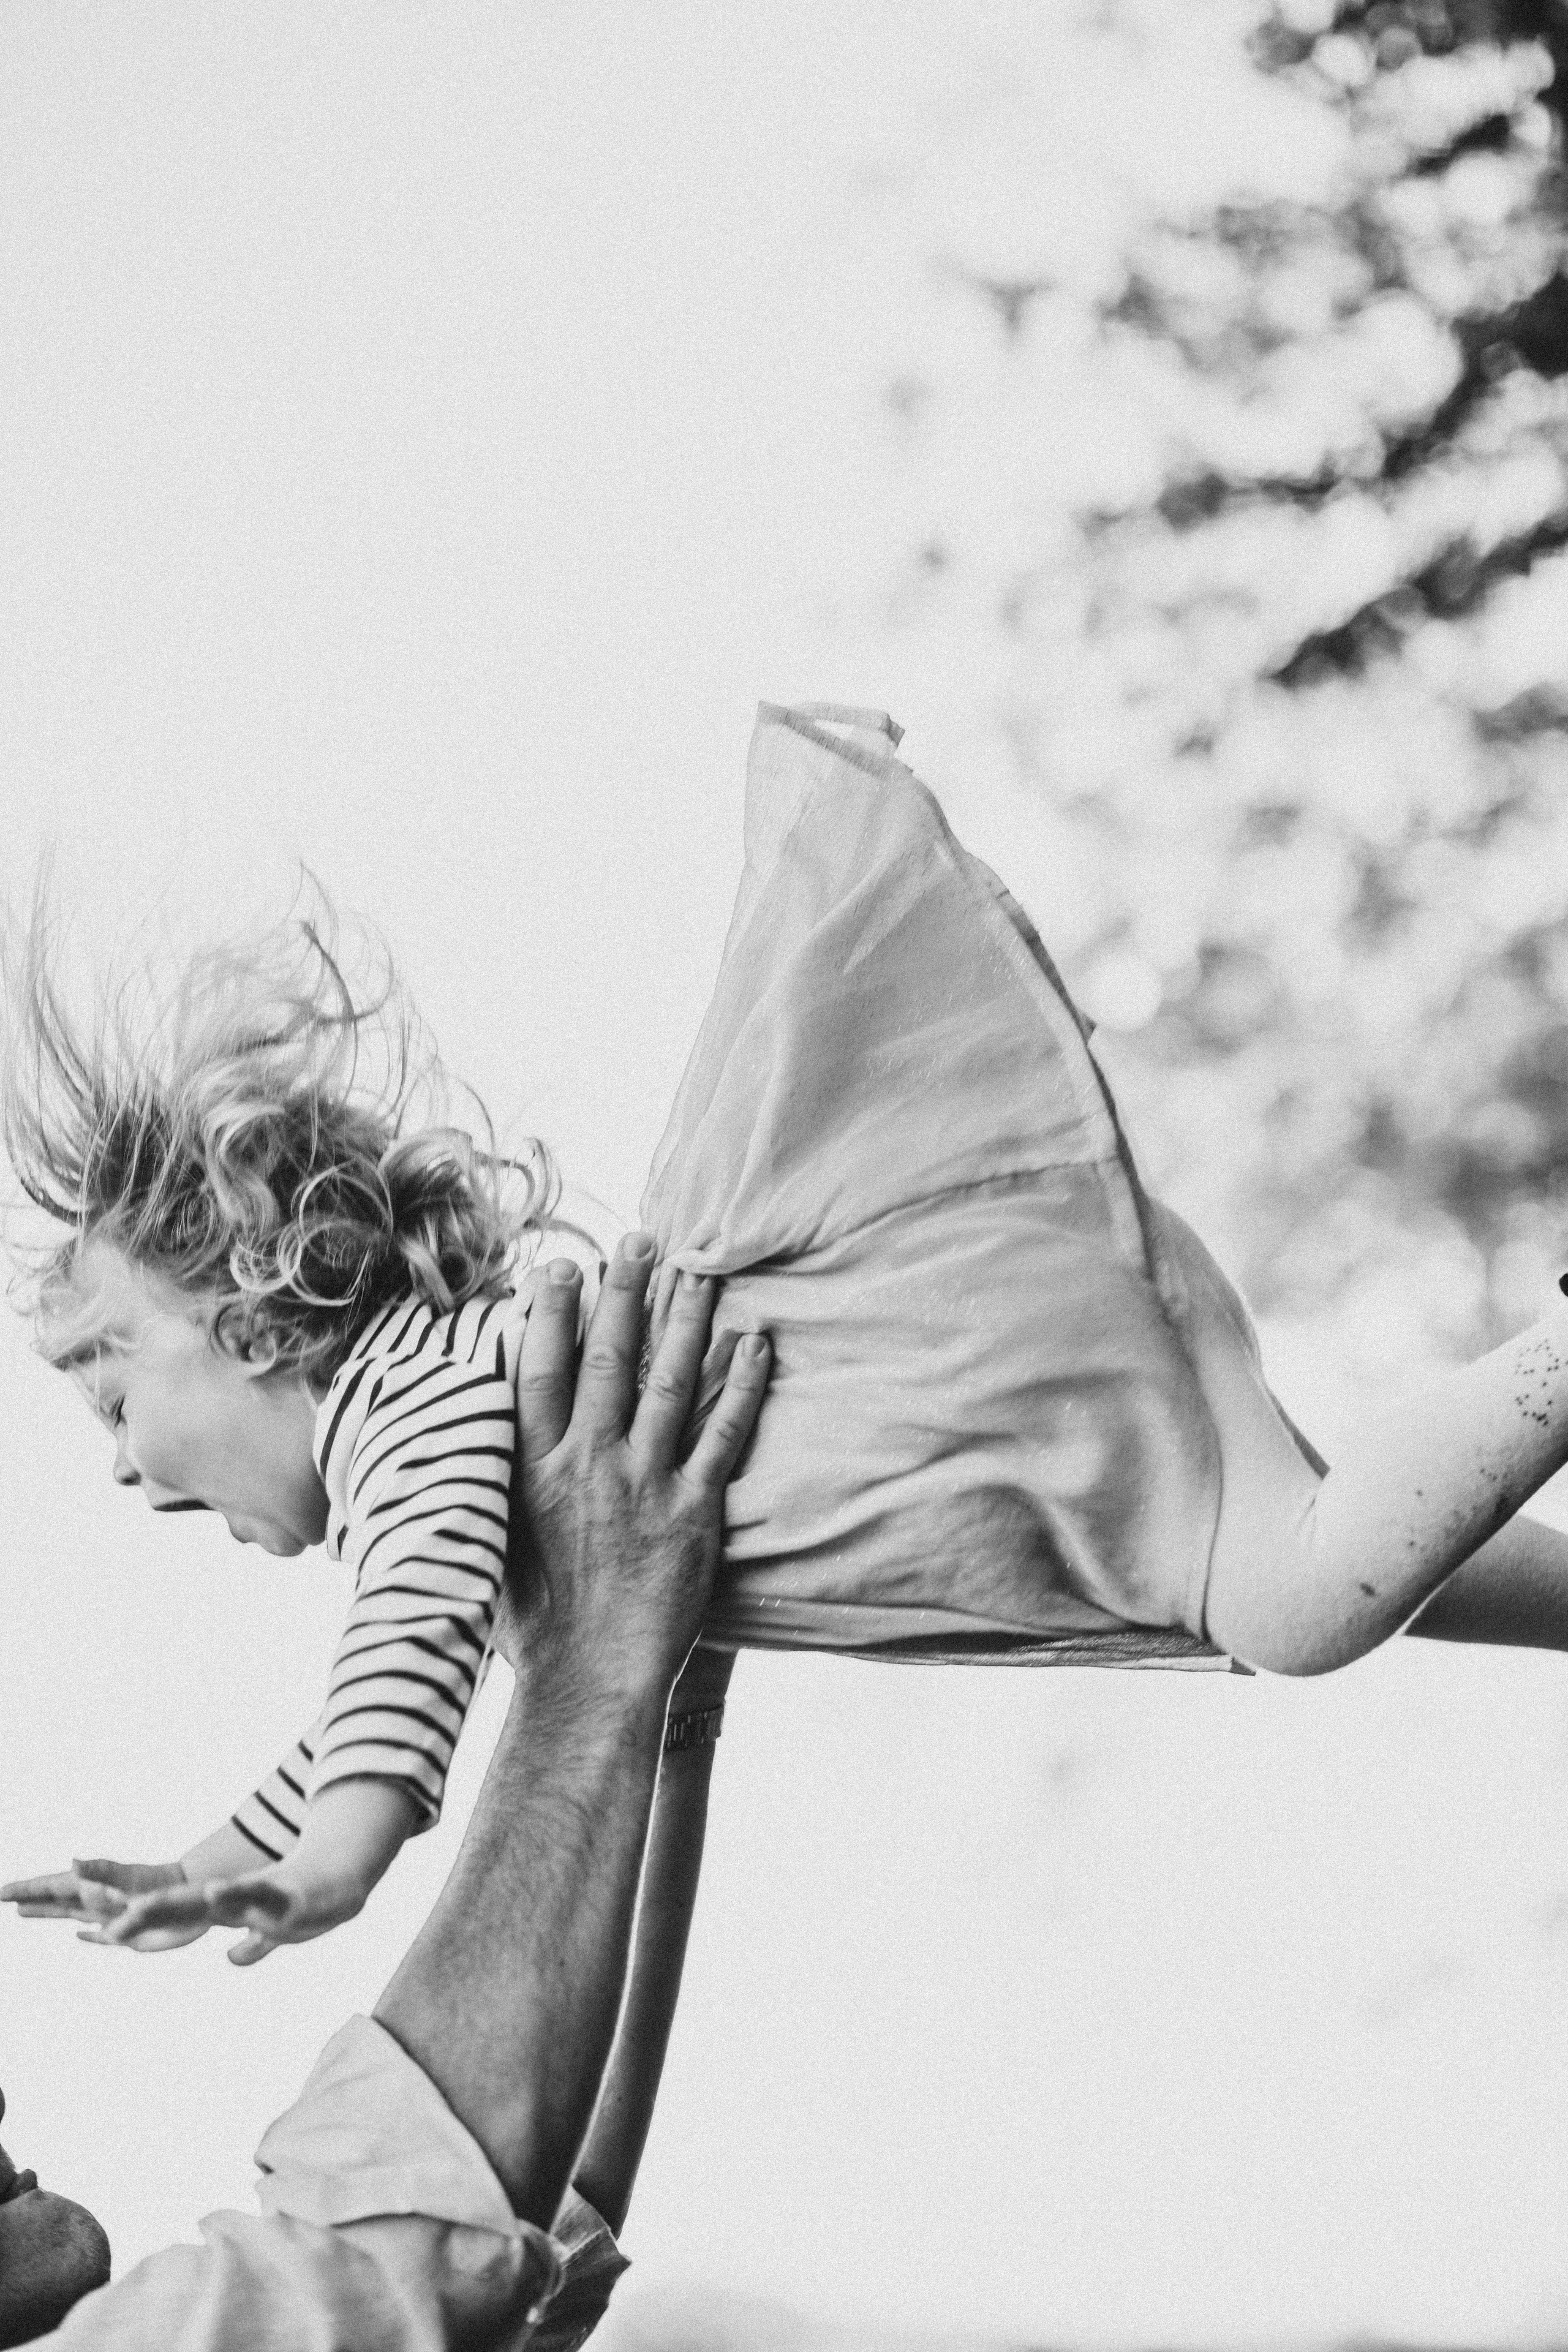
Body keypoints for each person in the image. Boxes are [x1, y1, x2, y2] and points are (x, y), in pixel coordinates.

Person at [13, 698, 1568, 1967]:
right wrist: (214, 1857)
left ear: (261, 1314)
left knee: (1299, 1604)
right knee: (1319, 1545)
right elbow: (358, 1712)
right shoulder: (449, 1430)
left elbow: (397, 1669)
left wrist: (329, 1877)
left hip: (988, 1362)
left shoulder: (407, 1423)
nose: (126, 1477)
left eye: (113, 1398)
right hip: (1026, 1354)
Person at [0, 1237, 769, 2347]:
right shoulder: (410, 1428)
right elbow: (418, 2246)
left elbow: (534, 2231)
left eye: (119, 1408)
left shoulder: (402, 1410)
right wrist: (600, 1659)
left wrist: (648, 1673)